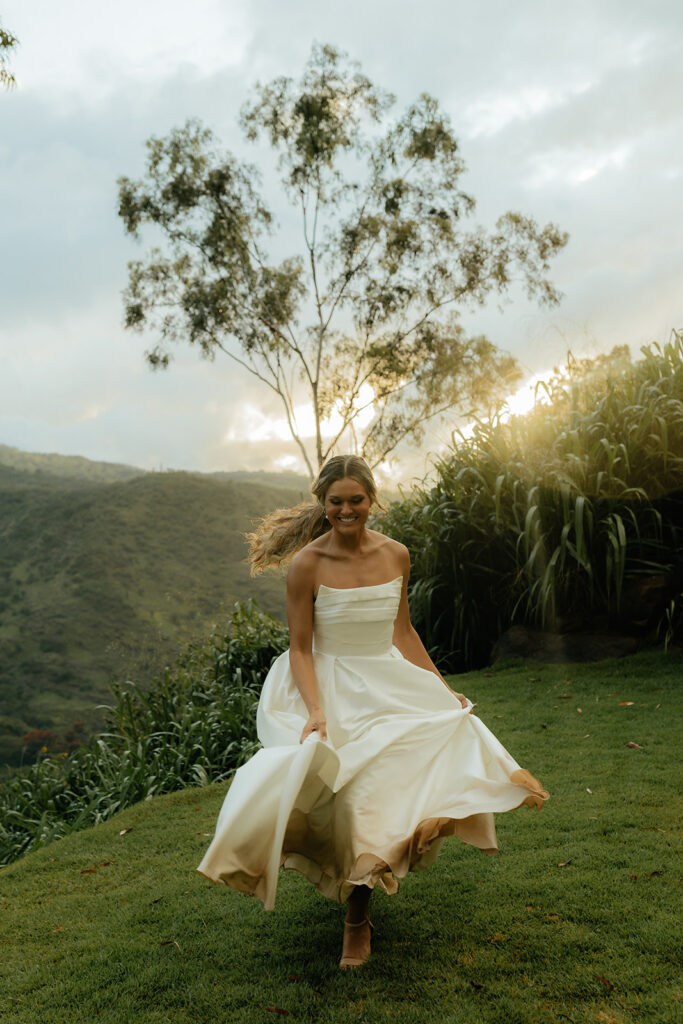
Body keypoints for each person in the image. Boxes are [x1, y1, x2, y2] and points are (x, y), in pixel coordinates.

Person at [197, 454, 548, 969]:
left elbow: (402, 631)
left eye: (355, 500)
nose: (346, 510)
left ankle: (357, 914)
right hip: (329, 686)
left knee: (389, 781)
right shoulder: (307, 565)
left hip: (386, 681)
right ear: (323, 503)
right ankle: (352, 887)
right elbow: (299, 647)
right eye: (335, 502)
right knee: (347, 790)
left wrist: (439, 687)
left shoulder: (397, 555)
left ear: (372, 500)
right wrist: (316, 710)